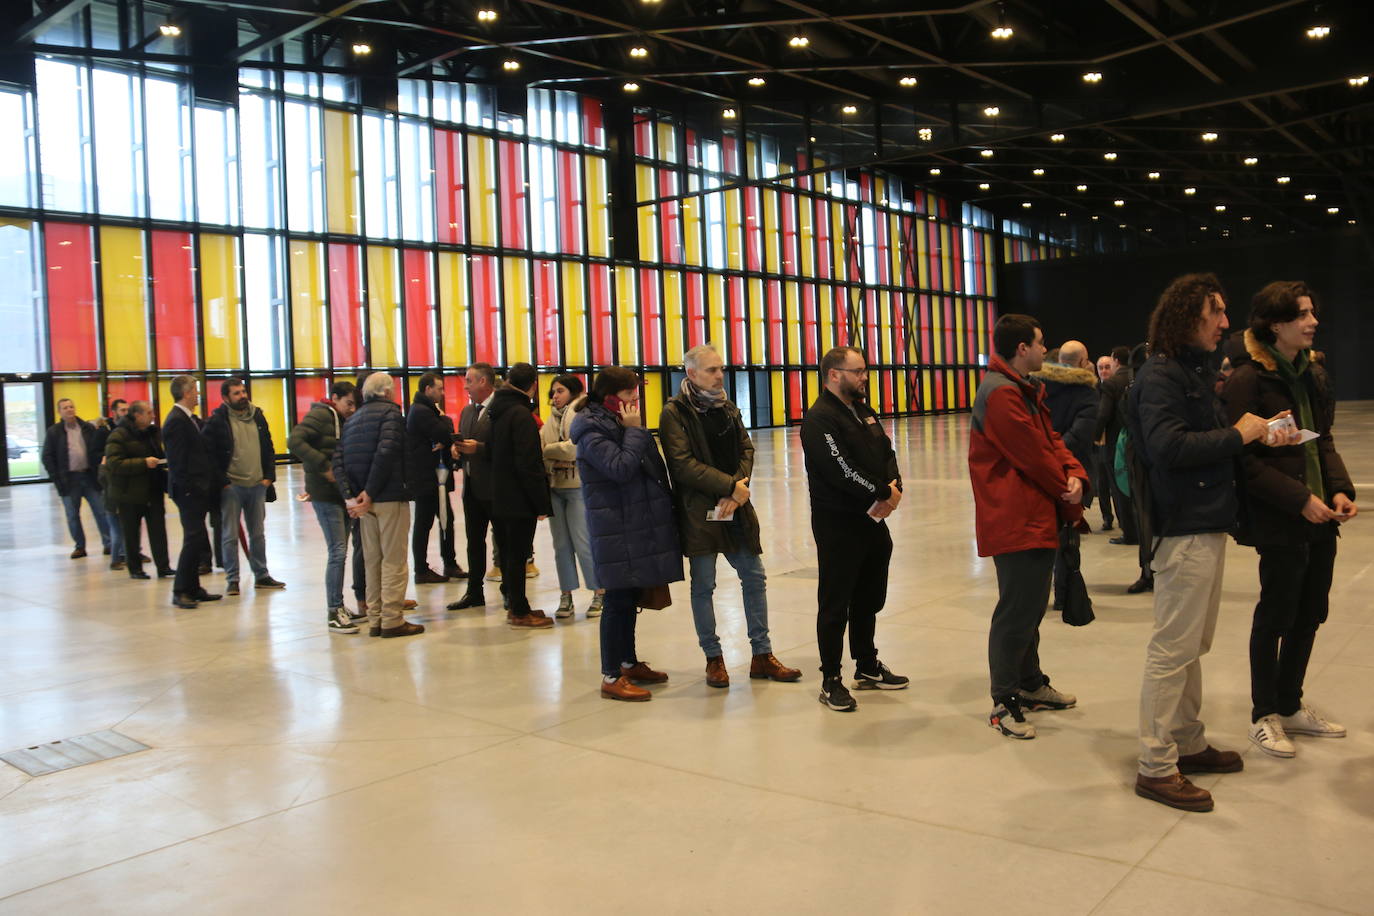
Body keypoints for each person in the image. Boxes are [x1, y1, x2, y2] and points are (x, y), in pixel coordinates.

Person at [1129, 272, 1297, 813]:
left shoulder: (1188, 373)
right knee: (1172, 649)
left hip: (1204, 524)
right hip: (1182, 530)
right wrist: (1240, 434)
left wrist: (1255, 433)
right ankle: (1156, 766)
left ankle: (1187, 741)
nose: (1226, 324)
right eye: (1216, 313)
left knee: (1191, 646)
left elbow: (1201, 440)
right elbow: (1167, 447)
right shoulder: (1159, 376)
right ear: (1188, 317)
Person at [1223, 281, 1357, 757]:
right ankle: (1264, 714)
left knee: (1309, 614)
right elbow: (1244, 462)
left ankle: (1291, 704)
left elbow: (1322, 441)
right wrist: (1300, 498)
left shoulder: (1311, 373)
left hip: (1321, 517)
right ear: (1275, 324)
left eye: (1312, 311)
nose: (1313, 320)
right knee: (1276, 615)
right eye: (1302, 314)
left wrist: (1339, 489)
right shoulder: (1247, 379)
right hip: (1281, 518)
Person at [971, 316, 1088, 739]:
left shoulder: (1023, 389)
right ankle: (1004, 700)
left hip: (1034, 513)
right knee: (1017, 611)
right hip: (1015, 516)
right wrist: (1066, 487)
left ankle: (1031, 684)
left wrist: (1074, 475)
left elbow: (1052, 442)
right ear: (1022, 348)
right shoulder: (1001, 393)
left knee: (1031, 606)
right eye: (1041, 344)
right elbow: (1032, 454)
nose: (1045, 350)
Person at [660, 345, 801, 688]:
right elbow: (682, 464)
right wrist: (729, 486)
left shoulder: (726, 406)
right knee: (703, 586)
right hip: (700, 514)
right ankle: (713, 658)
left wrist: (738, 490)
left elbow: (746, 448)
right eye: (711, 370)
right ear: (691, 374)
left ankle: (762, 655)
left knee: (754, 577)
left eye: (720, 368)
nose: (719, 375)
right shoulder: (674, 412)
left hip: (736, 509)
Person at [799, 346, 909, 713]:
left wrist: (894, 488)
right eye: (858, 371)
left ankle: (867, 664)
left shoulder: (863, 410)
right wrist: (881, 492)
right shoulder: (820, 419)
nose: (864, 377)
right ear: (834, 374)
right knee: (835, 603)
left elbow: (886, 451)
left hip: (873, 522)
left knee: (869, 596)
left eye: (865, 370)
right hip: (839, 525)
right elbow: (840, 470)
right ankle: (831, 678)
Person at [570, 367, 682, 701]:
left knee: (630, 597)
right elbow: (619, 468)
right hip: (613, 526)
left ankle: (628, 662)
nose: (636, 398)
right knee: (617, 600)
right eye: (630, 393)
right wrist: (635, 432)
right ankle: (610, 675)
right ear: (611, 396)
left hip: (633, 521)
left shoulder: (614, 421)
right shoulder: (591, 427)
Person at [334, 373, 424, 638]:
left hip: (365, 506)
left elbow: (338, 459)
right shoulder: (391, 415)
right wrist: (370, 492)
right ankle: (392, 620)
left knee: (372, 560)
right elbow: (386, 451)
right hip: (388, 497)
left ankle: (375, 618)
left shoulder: (353, 419)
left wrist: (352, 497)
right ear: (386, 392)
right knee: (394, 561)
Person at [289, 380, 368, 634]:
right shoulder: (320, 415)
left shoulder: (342, 420)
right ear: (334, 398)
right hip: (326, 495)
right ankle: (334, 610)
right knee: (338, 551)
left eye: (355, 404)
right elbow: (295, 440)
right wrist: (324, 467)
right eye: (348, 403)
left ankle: (340, 607)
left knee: (340, 551)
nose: (352, 409)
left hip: (340, 495)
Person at [487, 363, 555, 629]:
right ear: (534, 384)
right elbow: (529, 463)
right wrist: (541, 502)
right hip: (518, 498)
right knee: (518, 555)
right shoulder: (521, 414)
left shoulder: (498, 410)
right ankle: (518, 610)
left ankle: (518, 604)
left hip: (500, 494)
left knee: (508, 554)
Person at [204, 379, 284, 596]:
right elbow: (209, 456)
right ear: (226, 398)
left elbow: (268, 446)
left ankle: (261, 575)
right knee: (229, 535)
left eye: (243, 391)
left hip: (257, 484)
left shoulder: (257, 415)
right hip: (232, 487)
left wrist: (269, 476)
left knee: (257, 533)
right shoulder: (217, 421)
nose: (242, 396)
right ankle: (233, 579)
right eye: (236, 393)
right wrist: (224, 483)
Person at [540, 374, 604, 619]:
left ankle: (599, 591)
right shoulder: (550, 419)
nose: (555, 396)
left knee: (583, 542)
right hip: (554, 486)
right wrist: (556, 451)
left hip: (578, 486)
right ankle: (565, 595)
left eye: (560, 391)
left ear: (574, 392)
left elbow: (574, 449)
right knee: (561, 546)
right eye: (553, 392)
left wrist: (548, 450)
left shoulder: (582, 413)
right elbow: (559, 448)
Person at [162, 376, 222, 609]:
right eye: (195, 390)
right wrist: (192, 489)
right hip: (188, 491)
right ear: (186, 393)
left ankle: (194, 587)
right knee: (193, 539)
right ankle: (180, 590)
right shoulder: (177, 420)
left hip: (196, 490)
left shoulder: (188, 419)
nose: (198, 394)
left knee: (197, 539)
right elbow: (177, 462)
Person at [102, 400, 171, 580]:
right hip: (129, 493)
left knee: (159, 531)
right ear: (137, 415)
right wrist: (143, 463)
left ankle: (163, 567)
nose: (153, 416)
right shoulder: (119, 435)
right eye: (149, 413)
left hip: (153, 490)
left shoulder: (152, 433)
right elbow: (114, 464)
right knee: (131, 533)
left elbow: (161, 455)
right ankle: (135, 569)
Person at [448, 363, 497, 610]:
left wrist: (479, 448)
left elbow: (506, 448)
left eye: (469, 380)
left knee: (504, 542)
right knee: (474, 541)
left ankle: (509, 590)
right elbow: (462, 439)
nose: (465, 385)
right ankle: (474, 592)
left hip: (495, 488)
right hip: (472, 488)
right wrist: (456, 450)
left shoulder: (500, 410)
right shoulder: (467, 412)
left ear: (483, 382)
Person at [407, 372, 464, 584]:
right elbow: (445, 432)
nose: (442, 392)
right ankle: (423, 569)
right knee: (426, 522)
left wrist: (444, 430)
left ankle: (448, 563)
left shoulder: (425, 410)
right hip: (427, 479)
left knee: (444, 519)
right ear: (428, 389)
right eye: (439, 388)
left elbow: (445, 429)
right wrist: (444, 433)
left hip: (433, 478)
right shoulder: (422, 411)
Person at [42, 397, 112, 560]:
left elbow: (97, 449)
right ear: (60, 411)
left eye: (71, 406)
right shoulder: (54, 432)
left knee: (101, 511)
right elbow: (47, 457)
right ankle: (80, 547)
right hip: (69, 479)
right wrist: (57, 478)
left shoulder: (87, 428)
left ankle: (108, 543)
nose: (69, 409)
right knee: (72, 514)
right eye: (65, 407)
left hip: (89, 477)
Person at [92, 399, 133, 568]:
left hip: (124, 487)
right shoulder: (104, 433)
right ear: (114, 412)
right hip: (112, 490)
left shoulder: (128, 431)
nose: (125, 413)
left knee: (127, 526)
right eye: (122, 410)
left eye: (127, 409)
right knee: (116, 528)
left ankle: (129, 553)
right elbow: (96, 458)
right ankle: (117, 556)